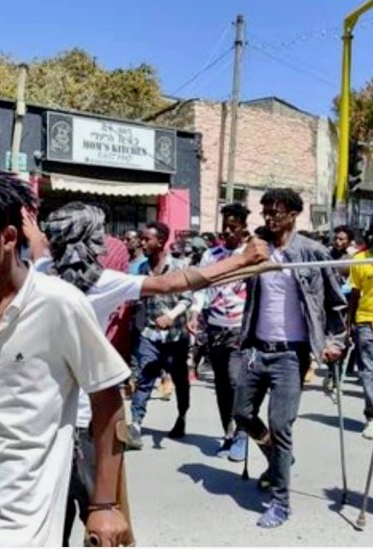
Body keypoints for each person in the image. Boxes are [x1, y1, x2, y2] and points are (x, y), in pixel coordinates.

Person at [22, 202, 268, 544]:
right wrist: (242, 260)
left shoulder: (39, 273)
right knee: (103, 518)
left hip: (43, 423)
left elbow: (39, 250)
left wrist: (32, 231)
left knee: (49, 518)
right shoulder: (103, 282)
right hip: (87, 425)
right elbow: (172, 284)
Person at [0, 173, 130, 547]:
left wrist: (106, 504)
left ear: (9, 237)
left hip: (22, 526)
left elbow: (108, 401)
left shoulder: (58, 303)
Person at [233, 188, 346, 529]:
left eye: (276, 211)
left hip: (291, 355)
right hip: (257, 349)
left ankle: (280, 503)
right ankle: (277, 457)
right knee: (241, 414)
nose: (269, 217)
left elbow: (335, 303)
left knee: (281, 425)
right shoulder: (257, 249)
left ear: (294, 214)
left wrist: (334, 341)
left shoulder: (312, 252)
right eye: (266, 210)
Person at [188, 203, 251, 461]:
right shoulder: (211, 255)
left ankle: (243, 435)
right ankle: (228, 431)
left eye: (234, 226)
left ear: (243, 227)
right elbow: (201, 287)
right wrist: (194, 312)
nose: (228, 231)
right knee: (222, 385)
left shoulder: (250, 254)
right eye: (225, 225)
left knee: (236, 380)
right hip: (215, 327)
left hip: (240, 328)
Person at [125, 221, 193, 449]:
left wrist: (172, 316)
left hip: (175, 337)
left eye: (147, 239)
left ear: (161, 241)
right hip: (149, 334)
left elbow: (188, 298)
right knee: (144, 379)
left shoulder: (179, 266)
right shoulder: (142, 268)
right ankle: (135, 425)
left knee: (180, 381)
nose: (141, 243)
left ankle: (181, 417)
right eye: (141, 239)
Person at [348, 219, 373, 440]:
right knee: (368, 371)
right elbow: (354, 295)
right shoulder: (360, 260)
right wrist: (348, 325)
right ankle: (372, 416)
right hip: (366, 322)